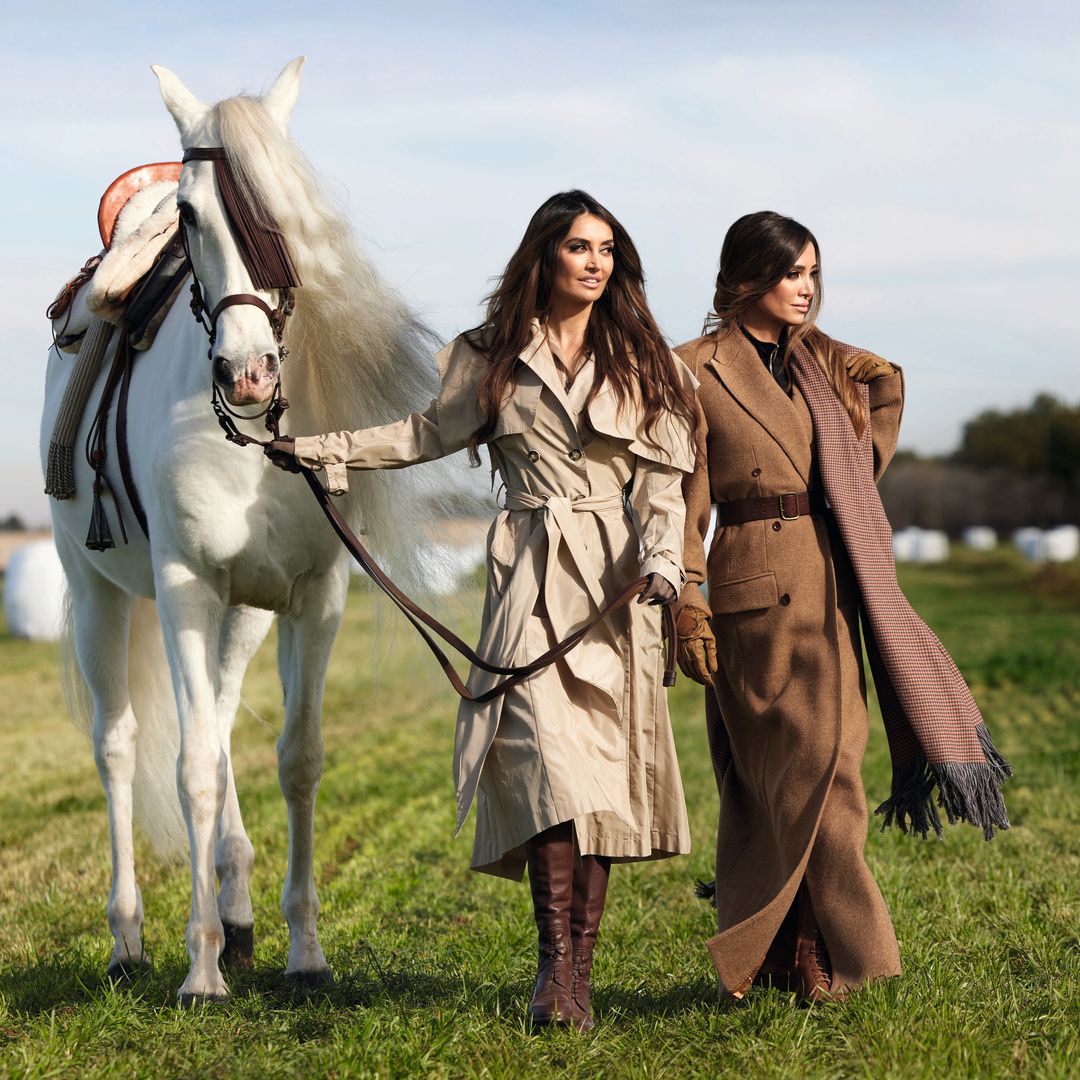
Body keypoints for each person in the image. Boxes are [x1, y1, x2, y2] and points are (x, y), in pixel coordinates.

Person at [267, 190, 698, 1029]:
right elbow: (425, 433)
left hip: (617, 587)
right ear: (546, 257)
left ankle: (579, 975)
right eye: (579, 247)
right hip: (530, 577)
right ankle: (553, 965)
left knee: (600, 786)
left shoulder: (648, 361)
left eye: (608, 249)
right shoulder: (491, 355)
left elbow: (663, 487)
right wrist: (324, 449)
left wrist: (663, 566)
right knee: (547, 769)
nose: (596, 262)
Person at [673, 211, 1010, 1004]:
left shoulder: (824, 370)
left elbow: (864, 468)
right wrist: (688, 600)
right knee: (781, 781)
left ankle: (816, 951)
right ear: (748, 277)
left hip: (835, 587)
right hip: (753, 594)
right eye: (792, 273)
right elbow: (681, 508)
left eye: (814, 273)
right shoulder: (693, 369)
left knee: (831, 770)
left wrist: (883, 382)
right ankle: (824, 955)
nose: (806, 289)